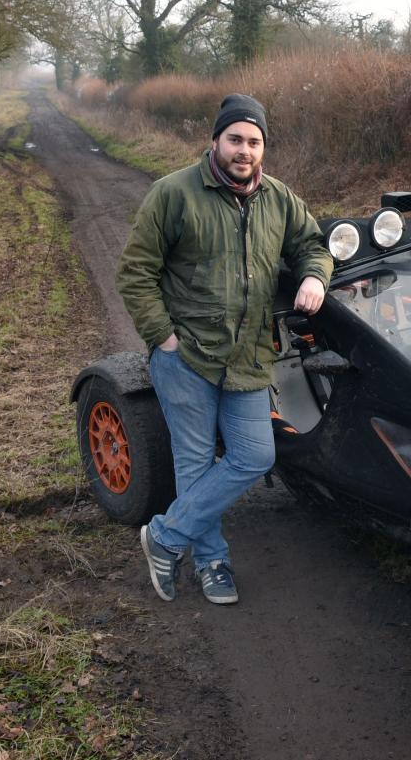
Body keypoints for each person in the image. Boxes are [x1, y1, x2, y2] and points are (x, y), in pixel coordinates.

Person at [116, 93, 333, 605]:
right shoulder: (173, 194)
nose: (245, 150)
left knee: (256, 455)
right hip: (185, 357)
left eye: (254, 141)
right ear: (215, 141)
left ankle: (165, 537)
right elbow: (135, 272)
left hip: (250, 356)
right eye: (235, 139)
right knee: (193, 462)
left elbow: (313, 245)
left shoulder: (279, 197)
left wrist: (315, 278)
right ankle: (213, 565)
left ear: (264, 148)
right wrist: (163, 338)